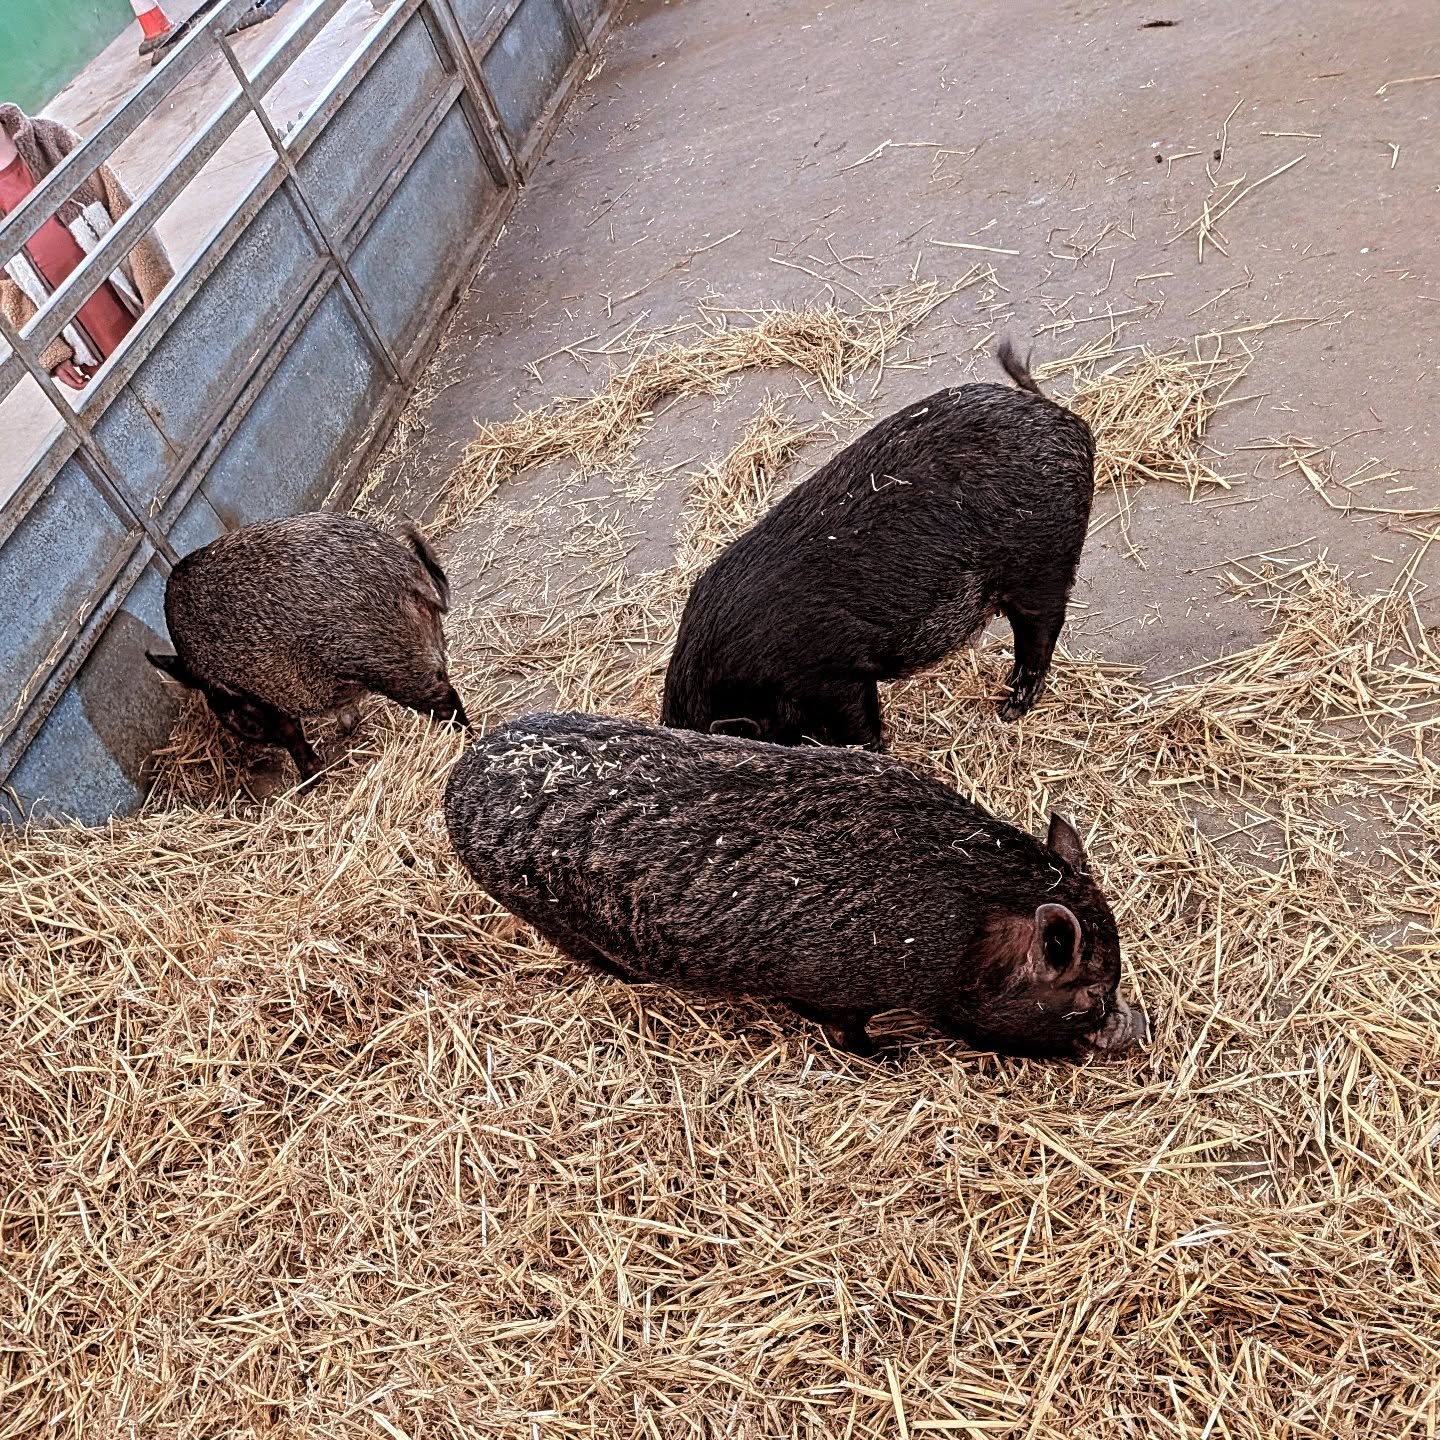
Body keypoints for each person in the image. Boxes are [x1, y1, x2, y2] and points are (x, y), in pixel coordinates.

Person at [0, 103, 172, 391]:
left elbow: (125, 213)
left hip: (135, 305)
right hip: (87, 341)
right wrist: (51, 353)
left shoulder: (52, 140)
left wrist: (160, 291)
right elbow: (7, 292)